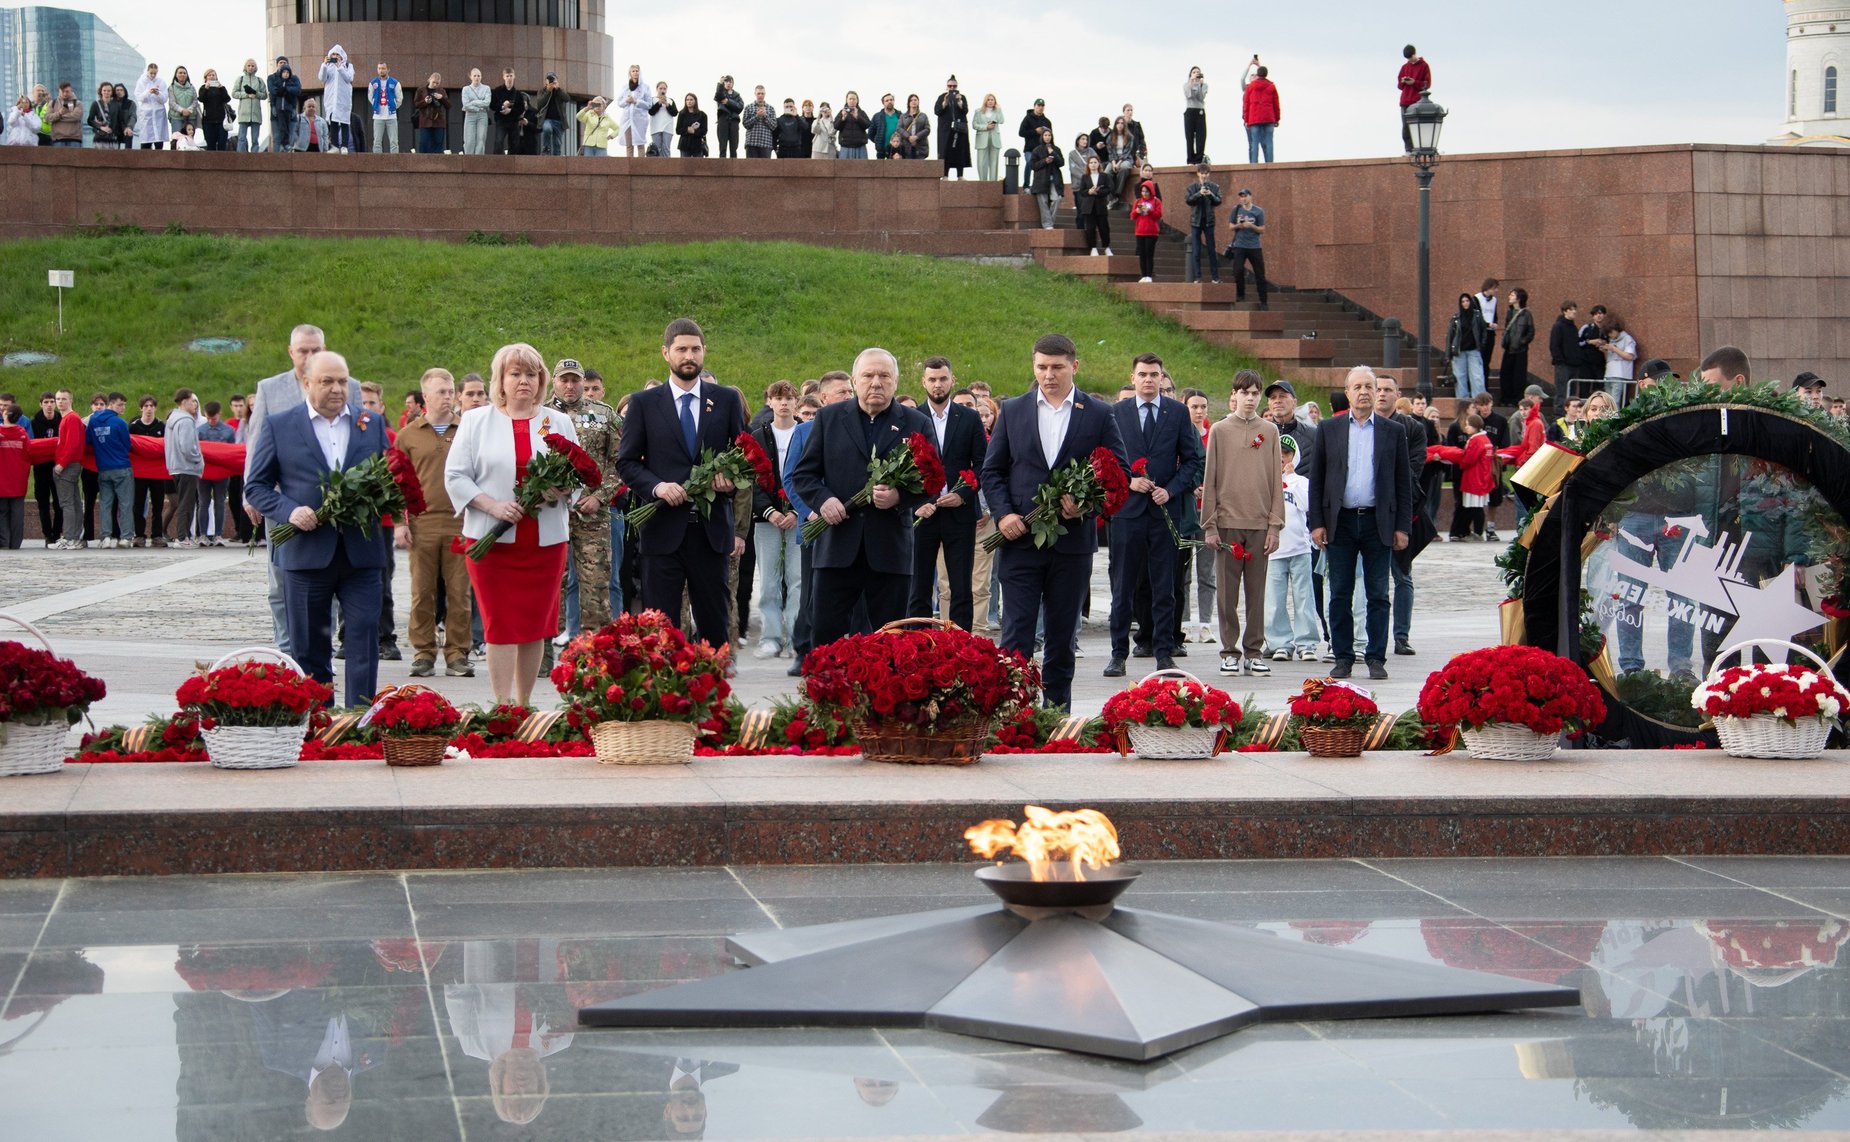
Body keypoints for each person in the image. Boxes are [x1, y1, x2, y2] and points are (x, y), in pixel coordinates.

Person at [981, 333, 1127, 711]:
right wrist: (1005, 514)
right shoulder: (1013, 410)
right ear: (1033, 366)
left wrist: (1085, 506)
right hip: (1020, 542)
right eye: (1042, 367)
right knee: (1016, 633)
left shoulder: (1098, 413)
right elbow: (992, 472)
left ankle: (1058, 713)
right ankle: (1013, 711)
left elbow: (1119, 475)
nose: (1049, 375)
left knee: (1062, 636)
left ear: (1074, 367)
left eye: (1057, 367)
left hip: (1072, 545)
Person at [245, 351, 390, 707]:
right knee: (309, 647)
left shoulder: (370, 424)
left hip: (362, 554)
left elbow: (389, 478)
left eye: (343, 381)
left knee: (363, 639)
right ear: (307, 383)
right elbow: (256, 487)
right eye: (327, 381)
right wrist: (289, 511)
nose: (337, 389)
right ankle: (319, 720)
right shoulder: (280, 425)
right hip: (306, 555)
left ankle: (358, 719)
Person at [444, 345, 579, 703]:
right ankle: (501, 705)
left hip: (545, 542)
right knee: (499, 624)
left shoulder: (559, 421)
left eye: (531, 374)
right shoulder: (476, 421)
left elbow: (578, 475)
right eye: (515, 373)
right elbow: (456, 476)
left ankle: (524, 704)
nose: (523, 381)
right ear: (500, 381)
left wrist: (559, 489)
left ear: (541, 381)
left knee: (537, 625)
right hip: (491, 541)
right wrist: (494, 506)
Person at [616, 319, 747, 649]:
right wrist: (657, 487)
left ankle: (715, 694)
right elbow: (627, 462)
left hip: (711, 532)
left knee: (715, 628)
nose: (689, 355)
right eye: (681, 349)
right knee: (661, 633)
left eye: (695, 349)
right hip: (662, 533)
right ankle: (665, 698)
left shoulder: (727, 400)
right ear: (665, 353)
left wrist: (730, 480)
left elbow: (743, 456)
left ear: (704, 352)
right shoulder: (643, 404)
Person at [791, 349, 933, 644]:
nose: (876, 382)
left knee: (891, 640)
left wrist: (899, 497)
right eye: (868, 375)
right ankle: (827, 690)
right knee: (826, 636)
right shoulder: (829, 419)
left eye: (884, 376)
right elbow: (803, 475)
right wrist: (823, 500)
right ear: (855, 380)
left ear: (896, 381)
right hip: (837, 548)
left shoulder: (916, 423)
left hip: (890, 549)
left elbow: (931, 480)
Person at [1306, 366, 1412, 680]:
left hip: (1379, 522)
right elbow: (1317, 480)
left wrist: (1402, 526)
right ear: (1348, 392)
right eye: (1358, 387)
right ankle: (1342, 657)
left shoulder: (1393, 431)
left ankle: (1376, 657)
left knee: (1378, 593)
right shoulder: (1329, 429)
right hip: (1340, 522)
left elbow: (1403, 481)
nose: (1365, 392)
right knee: (1339, 592)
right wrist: (1317, 523)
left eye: (1370, 386)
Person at [1104, 354, 1203, 677]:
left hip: (1164, 512)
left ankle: (1163, 651)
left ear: (1162, 378)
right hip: (1127, 512)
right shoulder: (1116, 413)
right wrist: (1127, 480)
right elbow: (1103, 460)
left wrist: (1171, 489)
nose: (1148, 380)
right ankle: (1118, 653)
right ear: (1132, 377)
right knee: (1123, 585)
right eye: (1143, 374)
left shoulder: (1176, 413)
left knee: (1165, 585)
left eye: (1154, 374)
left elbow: (1191, 461)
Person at [1199, 370, 1281, 675]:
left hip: (1260, 524)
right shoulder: (1220, 430)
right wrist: (1210, 524)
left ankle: (1253, 650)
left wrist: (1275, 525)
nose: (1250, 398)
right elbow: (1211, 480)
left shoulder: (1269, 432)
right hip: (1227, 523)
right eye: (1244, 392)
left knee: (1256, 593)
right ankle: (1229, 651)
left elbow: (1276, 480)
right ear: (1234, 394)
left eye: (1255, 393)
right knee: (1227, 594)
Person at [393, 369, 473, 678]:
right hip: (422, 524)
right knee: (421, 592)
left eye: (451, 390)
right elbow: (396, 481)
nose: (448, 396)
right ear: (425, 396)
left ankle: (457, 653)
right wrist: (401, 523)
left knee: (459, 593)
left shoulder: (467, 429)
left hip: (460, 522)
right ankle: (423, 652)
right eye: (440, 391)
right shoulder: (408, 435)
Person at [908, 357, 987, 630]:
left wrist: (963, 493)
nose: (938, 384)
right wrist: (919, 502)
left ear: (952, 380)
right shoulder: (912, 418)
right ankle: (916, 643)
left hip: (959, 514)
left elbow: (982, 463)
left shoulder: (969, 417)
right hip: (923, 514)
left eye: (943, 379)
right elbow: (904, 467)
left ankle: (959, 643)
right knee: (918, 586)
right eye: (932, 379)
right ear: (923, 382)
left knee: (961, 586)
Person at [546, 359, 621, 635]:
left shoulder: (604, 415)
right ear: (554, 382)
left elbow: (621, 462)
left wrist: (601, 497)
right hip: (551, 510)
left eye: (575, 380)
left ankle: (595, 652)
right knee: (552, 583)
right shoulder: (540, 415)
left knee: (596, 585)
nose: (570, 385)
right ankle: (546, 653)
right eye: (564, 380)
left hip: (592, 513)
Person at [747, 382, 802, 657]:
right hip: (766, 518)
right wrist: (769, 510)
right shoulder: (758, 435)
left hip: (799, 517)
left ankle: (795, 638)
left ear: (797, 402)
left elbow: (811, 474)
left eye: (789, 398)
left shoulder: (808, 433)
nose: (783, 403)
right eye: (778, 398)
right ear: (769, 401)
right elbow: (752, 479)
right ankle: (770, 638)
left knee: (797, 578)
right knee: (769, 578)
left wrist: (795, 510)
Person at [1376, 371, 1426, 655]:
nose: (1382, 394)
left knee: (1402, 576)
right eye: (1378, 389)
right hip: (1367, 513)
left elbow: (1413, 472)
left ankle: (1401, 636)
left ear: (1398, 394)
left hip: (1399, 511)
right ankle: (1373, 637)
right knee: (1373, 580)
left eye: (1387, 390)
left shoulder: (1412, 428)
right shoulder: (1359, 423)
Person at [1264, 435, 1317, 662]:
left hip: (1299, 548)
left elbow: (1307, 505)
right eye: (1277, 455)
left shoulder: (1302, 482)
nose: (1281, 459)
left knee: (1304, 598)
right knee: (1274, 600)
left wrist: (1291, 478)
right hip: (1275, 550)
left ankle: (1307, 642)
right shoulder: (1265, 482)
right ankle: (1279, 642)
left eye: (1285, 454)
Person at [85, 393, 132, 548]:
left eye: (124, 404)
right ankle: (125, 537)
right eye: (120, 404)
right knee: (125, 503)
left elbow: (88, 441)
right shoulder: (120, 423)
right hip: (121, 467)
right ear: (111, 404)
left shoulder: (93, 421)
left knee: (105, 503)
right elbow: (127, 445)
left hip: (103, 468)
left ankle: (105, 537)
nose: (123, 407)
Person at [163, 390, 204, 546]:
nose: (195, 404)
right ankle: (182, 537)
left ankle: (185, 535)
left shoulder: (172, 419)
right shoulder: (186, 420)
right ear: (184, 402)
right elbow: (187, 447)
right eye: (193, 401)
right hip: (187, 467)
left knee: (186, 501)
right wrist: (198, 459)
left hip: (176, 466)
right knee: (186, 503)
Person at [197, 401, 235, 543]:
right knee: (203, 502)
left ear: (220, 414)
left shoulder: (228, 431)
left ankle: (218, 534)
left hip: (221, 472)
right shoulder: (200, 431)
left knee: (219, 502)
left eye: (214, 418)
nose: (211, 421)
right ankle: (202, 534)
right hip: (204, 472)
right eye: (208, 418)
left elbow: (232, 451)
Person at [1226, 188, 1268, 308]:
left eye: (1245, 196)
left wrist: (1251, 225)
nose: (1243, 198)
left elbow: (1262, 229)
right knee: (1237, 271)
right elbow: (1230, 226)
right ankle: (1240, 294)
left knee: (1260, 274)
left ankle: (1263, 301)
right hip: (1239, 245)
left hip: (1254, 247)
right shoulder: (1236, 209)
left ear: (1250, 197)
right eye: (1241, 196)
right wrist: (1240, 224)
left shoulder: (1258, 211)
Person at [1184, 163, 1223, 284]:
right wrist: (1199, 193)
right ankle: (1197, 277)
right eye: (1202, 173)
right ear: (1198, 174)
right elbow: (1188, 200)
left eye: (1206, 173)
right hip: (1196, 222)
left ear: (1209, 174)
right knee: (1196, 250)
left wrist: (1210, 194)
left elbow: (1218, 201)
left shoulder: (1215, 187)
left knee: (1211, 250)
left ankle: (1215, 277)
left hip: (1209, 222)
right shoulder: (1192, 187)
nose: (1204, 176)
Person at [1446, 292, 1489, 400]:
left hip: (1474, 350)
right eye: (1463, 301)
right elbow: (1450, 336)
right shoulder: (1456, 317)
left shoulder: (1477, 315)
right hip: (1459, 351)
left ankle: (1479, 402)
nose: (1465, 303)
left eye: (1467, 301)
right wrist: (1448, 354)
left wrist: (1482, 345)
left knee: (1477, 377)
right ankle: (1463, 403)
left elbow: (1484, 330)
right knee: (1460, 378)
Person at [1496, 287, 1534, 406]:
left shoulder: (1526, 314)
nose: (1509, 297)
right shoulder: (1509, 312)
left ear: (1519, 298)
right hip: (1509, 348)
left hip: (1520, 349)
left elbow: (1531, 332)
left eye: (1512, 295)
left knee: (1519, 376)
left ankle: (1516, 400)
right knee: (1505, 373)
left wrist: (1522, 341)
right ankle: (1505, 398)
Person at [317, 47, 354, 152]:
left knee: (344, 122)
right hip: (331, 100)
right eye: (333, 55)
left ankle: (344, 146)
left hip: (343, 100)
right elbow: (322, 78)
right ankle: (334, 145)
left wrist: (339, 67)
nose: (335, 57)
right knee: (333, 122)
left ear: (342, 56)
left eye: (338, 55)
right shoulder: (328, 66)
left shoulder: (348, 66)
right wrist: (324, 65)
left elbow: (349, 78)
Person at [1075, 154, 1112, 256]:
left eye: (1095, 162)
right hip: (1088, 207)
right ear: (1088, 165)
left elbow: (1108, 189)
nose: (1093, 164)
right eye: (1091, 163)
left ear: (1098, 163)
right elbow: (1082, 191)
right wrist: (1089, 192)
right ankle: (1093, 248)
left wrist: (1098, 192)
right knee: (1090, 228)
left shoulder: (1104, 176)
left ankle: (1106, 247)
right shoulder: (1085, 177)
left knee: (1104, 228)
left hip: (1101, 205)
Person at [1028, 126, 1064, 231]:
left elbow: (1061, 163)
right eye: (1045, 135)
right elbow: (1033, 165)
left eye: (1049, 135)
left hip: (1055, 179)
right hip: (1041, 180)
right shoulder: (1037, 150)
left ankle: (1050, 222)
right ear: (1042, 137)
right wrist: (1045, 161)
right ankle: (1047, 224)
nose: (1047, 137)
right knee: (1043, 202)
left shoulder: (1056, 149)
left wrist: (1053, 153)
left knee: (1057, 198)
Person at [1595, 314, 1637, 404]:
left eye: (1611, 332)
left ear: (1616, 329)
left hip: (1620, 375)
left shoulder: (1627, 339)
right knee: (1607, 401)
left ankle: (1614, 418)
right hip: (1609, 374)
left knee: (1614, 402)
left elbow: (1630, 356)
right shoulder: (1612, 340)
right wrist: (1605, 351)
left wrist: (1614, 349)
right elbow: (1609, 359)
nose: (1610, 335)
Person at [1547, 300, 1580, 413]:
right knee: (1562, 391)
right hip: (1563, 364)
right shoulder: (1558, 326)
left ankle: (1570, 413)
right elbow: (1554, 345)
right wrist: (1560, 360)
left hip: (1574, 364)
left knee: (1572, 391)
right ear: (1565, 311)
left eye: (1575, 309)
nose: (1574, 311)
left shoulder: (1574, 328)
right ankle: (1559, 414)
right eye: (1571, 309)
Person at [1242, 65, 1279, 163]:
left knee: (1254, 142)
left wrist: (1246, 119)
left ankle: (1254, 165)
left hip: (1254, 118)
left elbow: (1246, 104)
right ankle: (1270, 164)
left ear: (1258, 75)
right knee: (1269, 141)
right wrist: (1277, 119)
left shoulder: (1251, 87)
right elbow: (1276, 104)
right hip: (1269, 117)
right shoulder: (1271, 86)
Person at [1397, 45, 1431, 153]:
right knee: (1405, 126)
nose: (1410, 60)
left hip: (1417, 101)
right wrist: (1403, 81)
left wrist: (1414, 82)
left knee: (1417, 126)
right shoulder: (1404, 67)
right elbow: (1399, 86)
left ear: (1414, 54)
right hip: (1405, 100)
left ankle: (1418, 149)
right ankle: (1408, 149)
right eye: (1407, 59)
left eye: (1410, 57)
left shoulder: (1424, 66)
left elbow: (1427, 84)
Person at [934, 77, 969, 177]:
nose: (952, 88)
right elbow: (937, 111)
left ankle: (960, 176)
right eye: (950, 86)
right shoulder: (941, 97)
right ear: (946, 87)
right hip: (945, 130)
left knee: (960, 151)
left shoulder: (962, 97)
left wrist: (959, 102)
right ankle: (945, 175)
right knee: (945, 151)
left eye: (954, 86)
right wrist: (945, 103)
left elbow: (965, 111)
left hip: (959, 128)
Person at [1130, 179, 1163, 283]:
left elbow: (1158, 215)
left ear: (1151, 191)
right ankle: (1143, 275)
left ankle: (1149, 275)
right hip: (1140, 231)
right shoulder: (1138, 202)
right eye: (1143, 191)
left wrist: (1149, 210)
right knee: (1142, 254)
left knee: (1149, 253)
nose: (1144, 194)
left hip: (1152, 232)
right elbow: (1132, 216)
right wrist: (1137, 211)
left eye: (1147, 191)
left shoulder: (1156, 201)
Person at [614, 64, 649, 157]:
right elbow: (619, 102)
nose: (635, 73)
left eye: (637, 71)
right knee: (629, 145)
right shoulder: (625, 87)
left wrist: (636, 101)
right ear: (630, 73)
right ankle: (630, 166)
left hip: (640, 119)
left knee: (640, 143)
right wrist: (626, 100)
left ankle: (641, 166)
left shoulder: (645, 87)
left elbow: (649, 104)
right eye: (633, 71)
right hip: (627, 119)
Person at [366, 62, 401, 153]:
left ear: (388, 69)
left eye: (383, 68)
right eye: (379, 68)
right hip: (378, 116)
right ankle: (377, 163)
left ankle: (395, 162)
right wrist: (375, 105)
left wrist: (393, 106)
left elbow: (399, 98)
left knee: (394, 141)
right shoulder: (373, 83)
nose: (381, 70)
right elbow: (370, 97)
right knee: (377, 141)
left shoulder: (395, 82)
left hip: (391, 116)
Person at [231, 60, 266, 151]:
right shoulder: (240, 79)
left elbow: (265, 95)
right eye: (249, 65)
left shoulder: (259, 80)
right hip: (244, 112)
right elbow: (234, 93)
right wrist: (246, 95)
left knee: (255, 139)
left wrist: (256, 94)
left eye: (253, 66)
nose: (251, 67)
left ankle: (255, 158)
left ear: (256, 68)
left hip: (256, 113)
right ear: (245, 67)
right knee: (241, 138)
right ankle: (241, 157)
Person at [267, 58, 300, 152]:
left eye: (285, 63)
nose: (282, 64)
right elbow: (272, 90)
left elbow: (297, 90)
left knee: (291, 137)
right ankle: (277, 161)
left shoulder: (294, 78)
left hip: (290, 111)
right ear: (277, 65)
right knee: (277, 137)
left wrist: (286, 89)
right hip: (276, 111)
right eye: (280, 63)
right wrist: (282, 90)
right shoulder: (272, 78)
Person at [490, 69, 525, 155]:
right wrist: (502, 106)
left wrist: (511, 110)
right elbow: (492, 105)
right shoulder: (497, 91)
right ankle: (498, 163)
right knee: (499, 142)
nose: (509, 78)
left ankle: (512, 165)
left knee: (514, 144)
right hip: (501, 120)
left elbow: (521, 108)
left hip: (513, 121)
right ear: (503, 77)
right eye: (507, 76)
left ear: (514, 77)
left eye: (511, 76)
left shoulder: (518, 94)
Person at [1016, 99, 1051, 184]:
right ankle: (1026, 186)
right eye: (1038, 105)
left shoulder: (1047, 121)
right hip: (1030, 149)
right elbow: (1021, 132)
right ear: (1034, 106)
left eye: (1042, 106)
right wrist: (1035, 131)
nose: (1040, 107)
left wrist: (1051, 148)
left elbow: (1051, 136)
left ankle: (1038, 185)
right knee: (1030, 163)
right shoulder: (1027, 118)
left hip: (1042, 150)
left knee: (1042, 166)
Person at [133, 63, 167, 150]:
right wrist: (148, 92)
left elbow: (164, 99)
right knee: (146, 141)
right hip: (147, 114)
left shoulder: (161, 82)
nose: (153, 75)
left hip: (158, 114)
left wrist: (158, 93)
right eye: (151, 73)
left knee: (159, 140)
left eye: (155, 73)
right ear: (147, 71)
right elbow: (139, 97)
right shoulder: (141, 81)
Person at [412, 74, 448, 154]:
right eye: (433, 82)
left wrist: (441, 98)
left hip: (438, 121)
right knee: (424, 143)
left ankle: (437, 163)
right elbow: (416, 104)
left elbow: (448, 105)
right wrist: (425, 102)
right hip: (425, 121)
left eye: (437, 83)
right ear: (429, 80)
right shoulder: (421, 90)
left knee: (438, 143)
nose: (435, 85)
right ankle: (423, 162)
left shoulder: (441, 91)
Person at [972, 93, 1003, 180]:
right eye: (988, 99)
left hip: (995, 139)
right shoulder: (978, 111)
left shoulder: (997, 111)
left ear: (995, 102)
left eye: (992, 100)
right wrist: (986, 127)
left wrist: (999, 110)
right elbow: (974, 125)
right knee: (981, 163)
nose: (990, 101)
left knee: (994, 162)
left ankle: (993, 183)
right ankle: (983, 182)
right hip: (982, 139)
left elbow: (1001, 121)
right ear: (985, 101)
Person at [459, 68, 490, 154]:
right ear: (471, 77)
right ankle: (469, 160)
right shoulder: (466, 89)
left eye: (479, 76)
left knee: (481, 139)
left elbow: (487, 103)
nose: (477, 78)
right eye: (475, 76)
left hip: (482, 115)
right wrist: (478, 106)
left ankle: (479, 160)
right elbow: (465, 105)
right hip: (470, 115)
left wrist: (473, 102)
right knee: (469, 140)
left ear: (481, 77)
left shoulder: (486, 88)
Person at [1183, 67, 1208, 166]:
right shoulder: (1186, 85)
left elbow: (1200, 97)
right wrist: (1191, 82)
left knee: (1201, 136)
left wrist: (1200, 85)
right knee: (1189, 136)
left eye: (1198, 72)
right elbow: (1189, 95)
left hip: (1200, 111)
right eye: (1194, 72)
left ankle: (1198, 159)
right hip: (1190, 111)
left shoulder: (1204, 85)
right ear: (1190, 74)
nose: (1196, 74)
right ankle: (1190, 160)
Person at [713, 75, 743, 158]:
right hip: (723, 120)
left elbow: (740, 106)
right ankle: (722, 167)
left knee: (734, 147)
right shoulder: (721, 93)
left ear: (733, 83)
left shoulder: (737, 95)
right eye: (726, 81)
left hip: (734, 121)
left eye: (730, 82)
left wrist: (728, 102)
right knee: (722, 146)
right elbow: (718, 96)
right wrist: (720, 84)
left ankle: (734, 167)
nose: (728, 83)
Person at [45, 82, 82, 147]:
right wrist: (59, 113)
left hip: (74, 139)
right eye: (62, 91)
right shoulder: (52, 103)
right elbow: (47, 118)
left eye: (67, 91)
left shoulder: (78, 103)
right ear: (59, 91)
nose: (65, 94)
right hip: (58, 139)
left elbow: (76, 116)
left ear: (71, 91)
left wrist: (59, 117)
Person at [833, 92, 869, 159]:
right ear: (847, 100)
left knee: (862, 168)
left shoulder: (861, 112)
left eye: (854, 99)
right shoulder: (842, 112)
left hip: (860, 146)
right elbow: (835, 126)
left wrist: (857, 117)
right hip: (845, 146)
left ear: (857, 101)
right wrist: (843, 118)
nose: (852, 101)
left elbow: (867, 125)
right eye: (850, 99)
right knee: (844, 168)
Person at [868, 93, 900, 161]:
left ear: (894, 101)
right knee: (880, 171)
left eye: (891, 100)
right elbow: (870, 133)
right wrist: (877, 141)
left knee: (898, 171)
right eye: (887, 100)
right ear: (883, 103)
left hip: (898, 150)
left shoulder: (900, 115)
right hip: (882, 151)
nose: (889, 102)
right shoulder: (877, 116)